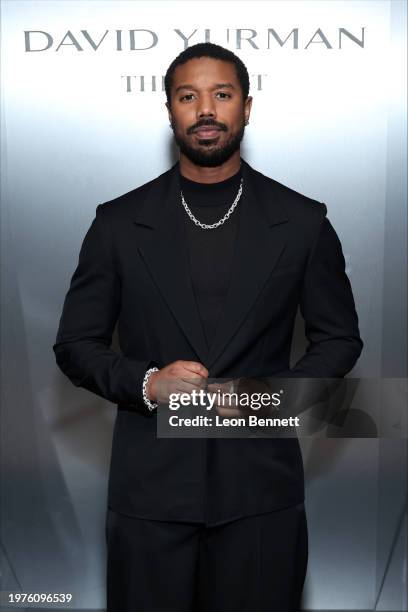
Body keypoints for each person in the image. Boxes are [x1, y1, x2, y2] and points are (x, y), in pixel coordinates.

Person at [53, 42, 363, 611]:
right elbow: (75, 345)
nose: (206, 110)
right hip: (150, 495)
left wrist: (266, 398)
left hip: (260, 492)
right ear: (169, 109)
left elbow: (339, 338)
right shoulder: (118, 224)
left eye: (222, 95)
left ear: (247, 107)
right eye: (188, 96)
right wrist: (149, 383)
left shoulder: (303, 222)